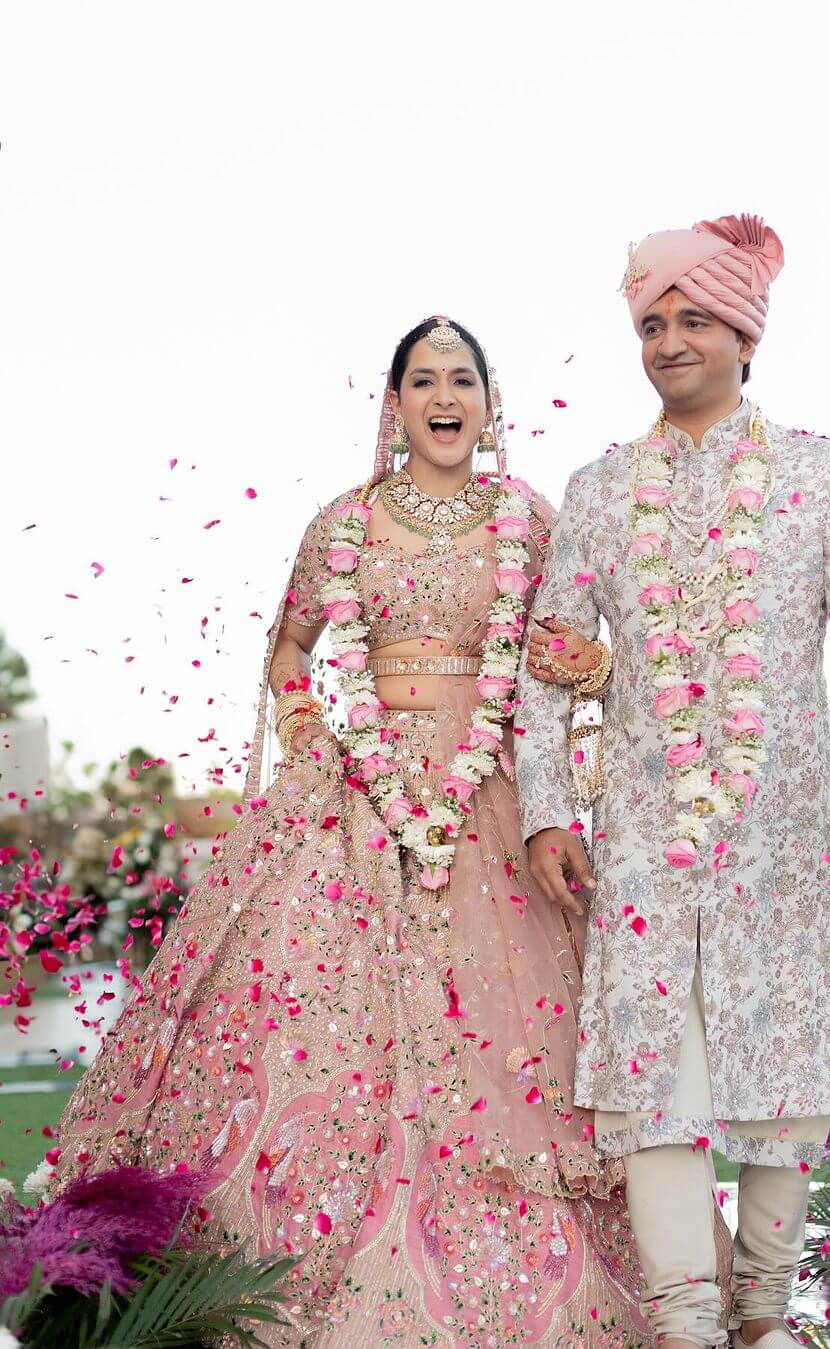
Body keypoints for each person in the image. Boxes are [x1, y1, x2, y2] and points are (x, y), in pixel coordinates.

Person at [53, 317, 707, 1346]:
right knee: (323, 1023)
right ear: (394, 403)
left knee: (510, 1048)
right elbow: (289, 650)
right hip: (354, 790)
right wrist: (313, 730)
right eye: (424, 380)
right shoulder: (342, 523)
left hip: (489, 799)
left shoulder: (532, 520)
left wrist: (594, 669)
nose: (445, 397)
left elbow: (568, 645)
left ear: (489, 403)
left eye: (463, 380)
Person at [516, 216, 830, 1349]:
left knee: (787, 1074)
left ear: (745, 335)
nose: (670, 342)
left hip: (782, 834)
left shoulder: (818, 473)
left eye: (695, 319)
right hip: (642, 840)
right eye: (652, 323)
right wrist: (549, 807)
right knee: (654, 1079)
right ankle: (687, 1324)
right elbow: (547, 664)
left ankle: (763, 1315)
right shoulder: (601, 491)